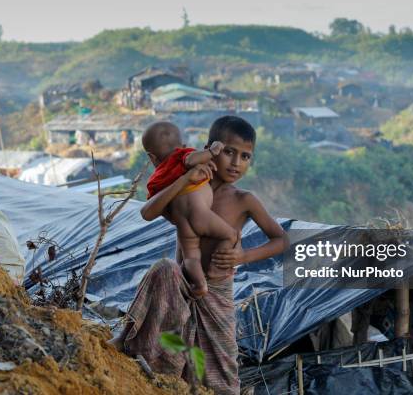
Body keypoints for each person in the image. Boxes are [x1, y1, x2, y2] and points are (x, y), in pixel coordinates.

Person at [110, 116, 289, 395]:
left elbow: (281, 240)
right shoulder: (189, 190)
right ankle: (129, 342)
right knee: (164, 268)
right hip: (183, 285)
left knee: (222, 377)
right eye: (229, 152)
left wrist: (243, 257)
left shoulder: (244, 199)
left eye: (245, 156)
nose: (235, 163)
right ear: (211, 149)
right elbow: (147, 212)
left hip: (216, 294)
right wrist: (184, 180)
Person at [141, 121, 238, 296]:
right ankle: (217, 271)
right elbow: (191, 159)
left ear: (151, 157)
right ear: (183, 147)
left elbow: (150, 210)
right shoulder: (183, 156)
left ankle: (199, 285)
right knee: (231, 235)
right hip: (199, 214)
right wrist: (211, 151)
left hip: (182, 221)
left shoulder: (156, 180)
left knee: (190, 257)